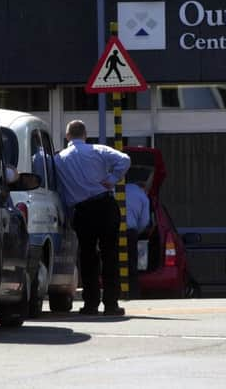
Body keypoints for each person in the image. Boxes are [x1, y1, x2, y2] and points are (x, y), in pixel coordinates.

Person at [54, 120, 131, 316]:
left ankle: (90, 304)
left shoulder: (59, 159)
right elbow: (125, 159)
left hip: (82, 211)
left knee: (87, 257)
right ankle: (111, 304)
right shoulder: (98, 150)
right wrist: (112, 179)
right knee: (110, 255)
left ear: (67, 136)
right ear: (85, 135)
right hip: (105, 205)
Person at [125, 182, 150, 299]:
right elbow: (145, 221)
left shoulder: (114, 189)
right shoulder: (142, 196)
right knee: (131, 264)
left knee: (111, 263)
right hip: (131, 232)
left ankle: (112, 294)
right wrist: (137, 232)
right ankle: (133, 293)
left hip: (111, 231)